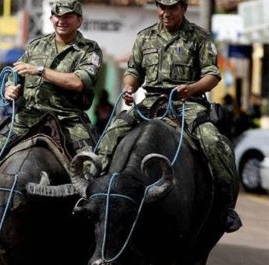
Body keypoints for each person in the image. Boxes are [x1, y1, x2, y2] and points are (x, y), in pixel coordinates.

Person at [0, 0, 102, 245]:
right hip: (28, 116)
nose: (61, 20)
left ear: (79, 20)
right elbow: (17, 79)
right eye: (57, 16)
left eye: (68, 16)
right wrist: (12, 90)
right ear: (51, 19)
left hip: (68, 118)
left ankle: (90, 221)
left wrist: (40, 70)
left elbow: (77, 82)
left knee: (91, 163)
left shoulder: (89, 50)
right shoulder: (35, 45)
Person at [94, 0, 241, 233]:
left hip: (187, 103)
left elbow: (212, 75)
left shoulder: (199, 37)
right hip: (151, 101)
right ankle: (97, 189)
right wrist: (129, 88)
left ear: (183, 8)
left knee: (213, 141)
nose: (165, 12)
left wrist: (192, 88)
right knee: (113, 130)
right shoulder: (145, 37)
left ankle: (225, 204)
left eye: (172, 7)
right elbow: (134, 71)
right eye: (161, 6)